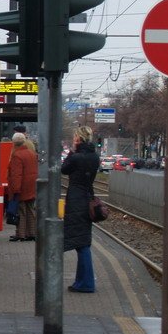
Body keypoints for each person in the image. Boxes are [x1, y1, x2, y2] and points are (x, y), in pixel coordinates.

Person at [61, 125, 100, 293]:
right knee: (83, 241)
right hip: (87, 197)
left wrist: (71, 151)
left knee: (82, 244)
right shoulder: (94, 157)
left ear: (79, 139)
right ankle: (81, 281)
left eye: (75, 137)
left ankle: (86, 283)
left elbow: (63, 169)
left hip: (76, 200)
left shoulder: (76, 157)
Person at [7, 132, 37, 241]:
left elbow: (16, 175)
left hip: (21, 188)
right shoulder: (32, 153)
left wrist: (15, 190)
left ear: (14, 143)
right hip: (32, 186)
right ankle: (32, 233)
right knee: (31, 210)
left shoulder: (17, 155)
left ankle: (21, 234)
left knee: (21, 211)